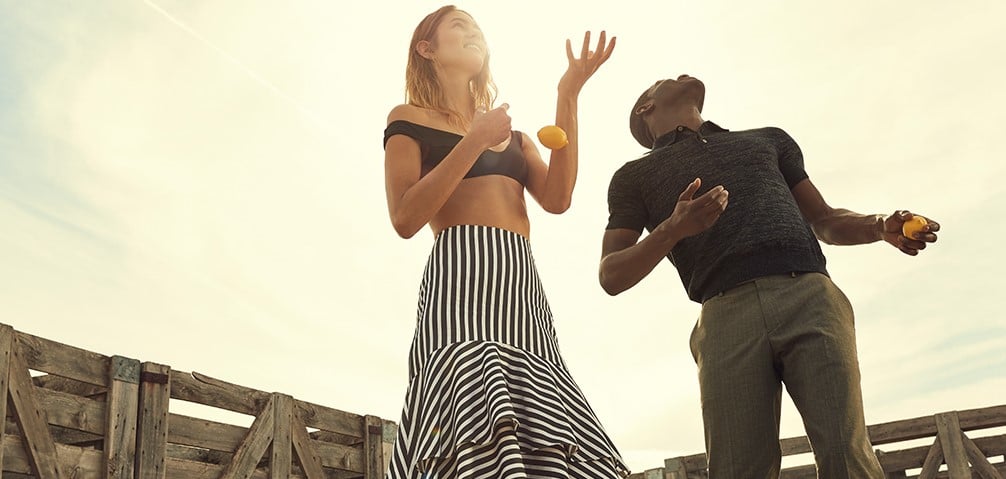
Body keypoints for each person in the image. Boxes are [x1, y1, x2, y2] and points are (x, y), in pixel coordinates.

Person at [599, 74, 940, 478]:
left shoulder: (768, 139)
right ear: (646, 108)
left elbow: (825, 220)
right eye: (662, 81)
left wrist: (878, 225)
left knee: (847, 456)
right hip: (725, 315)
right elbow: (611, 274)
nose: (677, 76)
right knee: (737, 469)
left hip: (810, 297)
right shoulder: (632, 177)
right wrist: (672, 229)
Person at [382, 6, 626, 478]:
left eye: (476, 27)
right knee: (474, 421)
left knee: (543, 433)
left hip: (520, 285)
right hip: (460, 280)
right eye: (458, 26)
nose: (472, 32)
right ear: (426, 48)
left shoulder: (511, 135)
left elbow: (557, 198)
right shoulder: (407, 118)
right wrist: (473, 140)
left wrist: (568, 93)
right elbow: (406, 217)